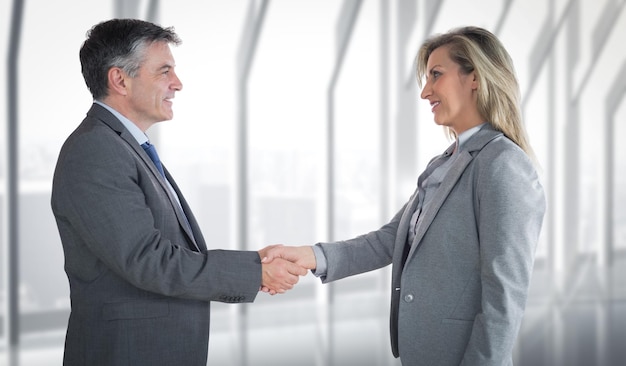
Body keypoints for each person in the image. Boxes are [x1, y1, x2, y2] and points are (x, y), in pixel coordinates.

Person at [261, 26, 546, 365]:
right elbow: (390, 240)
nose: (426, 92)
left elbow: (505, 296)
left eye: (436, 76)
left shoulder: (503, 164)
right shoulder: (445, 163)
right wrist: (311, 256)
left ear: (475, 77)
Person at [51, 18, 306, 366]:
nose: (177, 83)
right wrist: (253, 273)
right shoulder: (96, 150)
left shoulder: (124, 147)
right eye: (164, 71)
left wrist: (253, 262)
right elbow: (148, 261)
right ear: (120, 80)